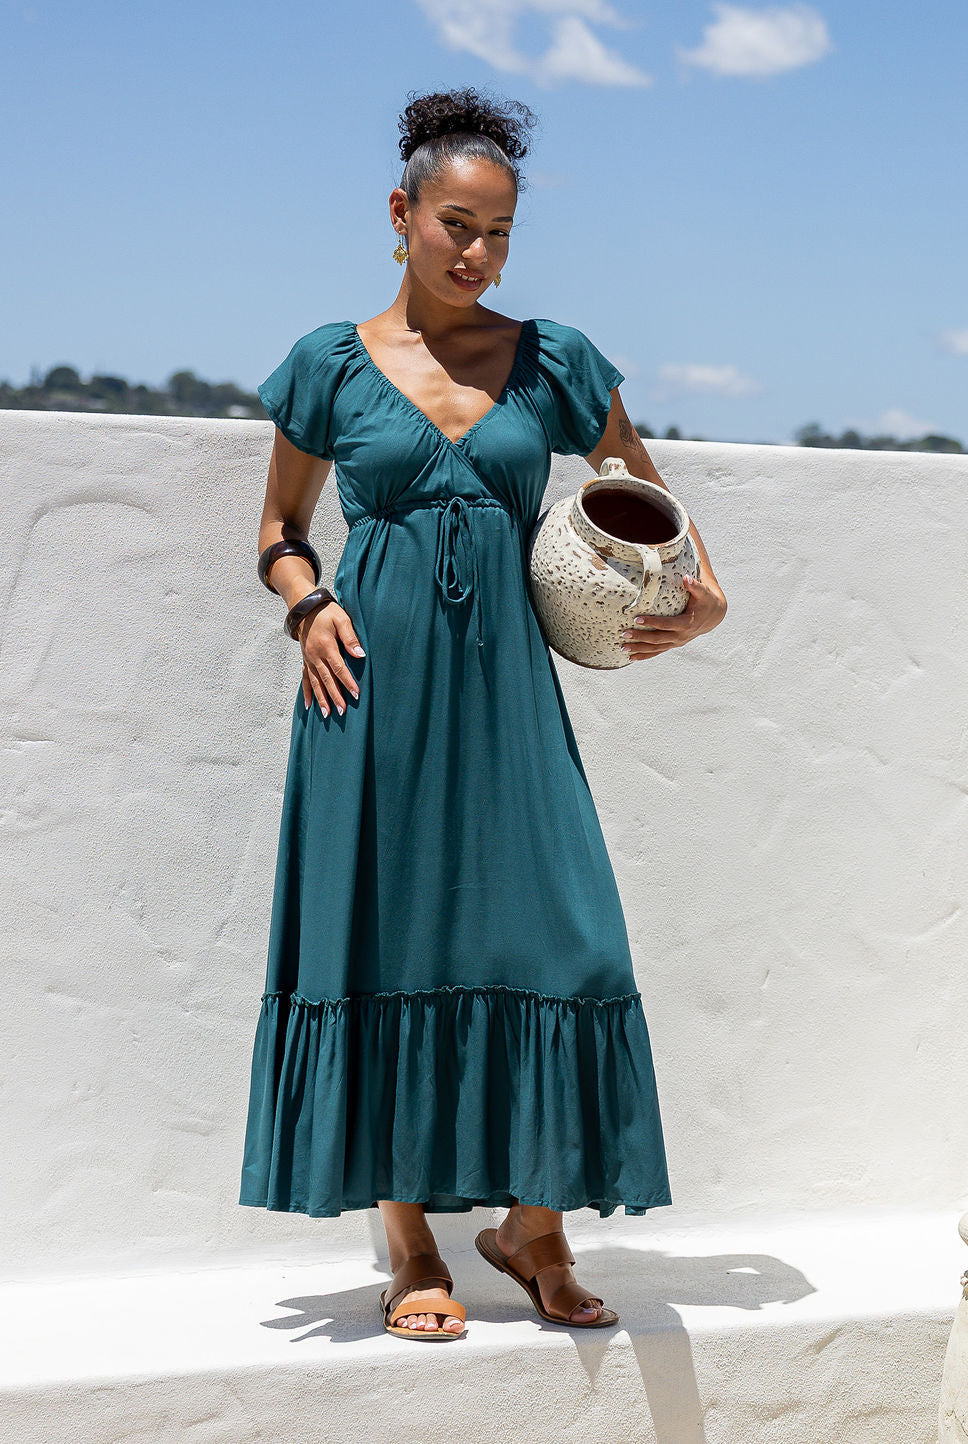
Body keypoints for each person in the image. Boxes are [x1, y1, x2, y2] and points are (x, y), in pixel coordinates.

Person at [239, 85, 728, 1342]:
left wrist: (702, 599)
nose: (478, 253)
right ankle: (407, 1239)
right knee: (385, 942)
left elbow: (646, 504)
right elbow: (279, 532)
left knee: (570, 943)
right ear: (400, 215)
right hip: (371, 688)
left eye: (500, 233)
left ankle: (531, 1226)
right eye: (456, 224)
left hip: (510, 692)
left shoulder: (553, 358)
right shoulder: (329, 363)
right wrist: (309, 608)